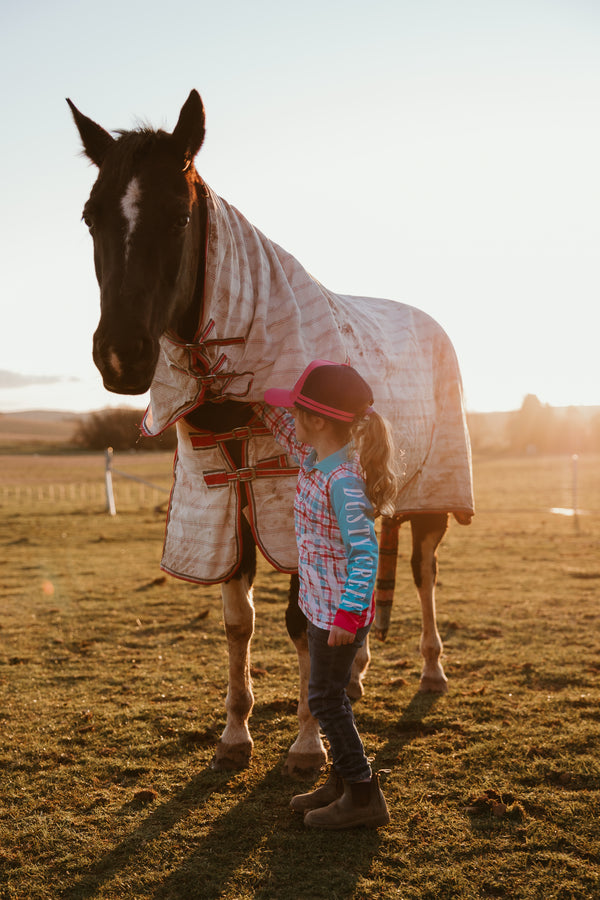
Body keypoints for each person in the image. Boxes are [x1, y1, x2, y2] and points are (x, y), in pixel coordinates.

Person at [255, 360, 398, 829]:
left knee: (324, 700)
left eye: (297, 411)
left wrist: (348, 615)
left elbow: (365, 555)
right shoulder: (317, 459)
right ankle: (341, 783)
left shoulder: (345, 483)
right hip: (320, 609)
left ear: (317, 420)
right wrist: (245, 388)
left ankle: (361, 794)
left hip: (339, 616)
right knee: (331, 697)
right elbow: (282, 425)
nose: (291, 419)